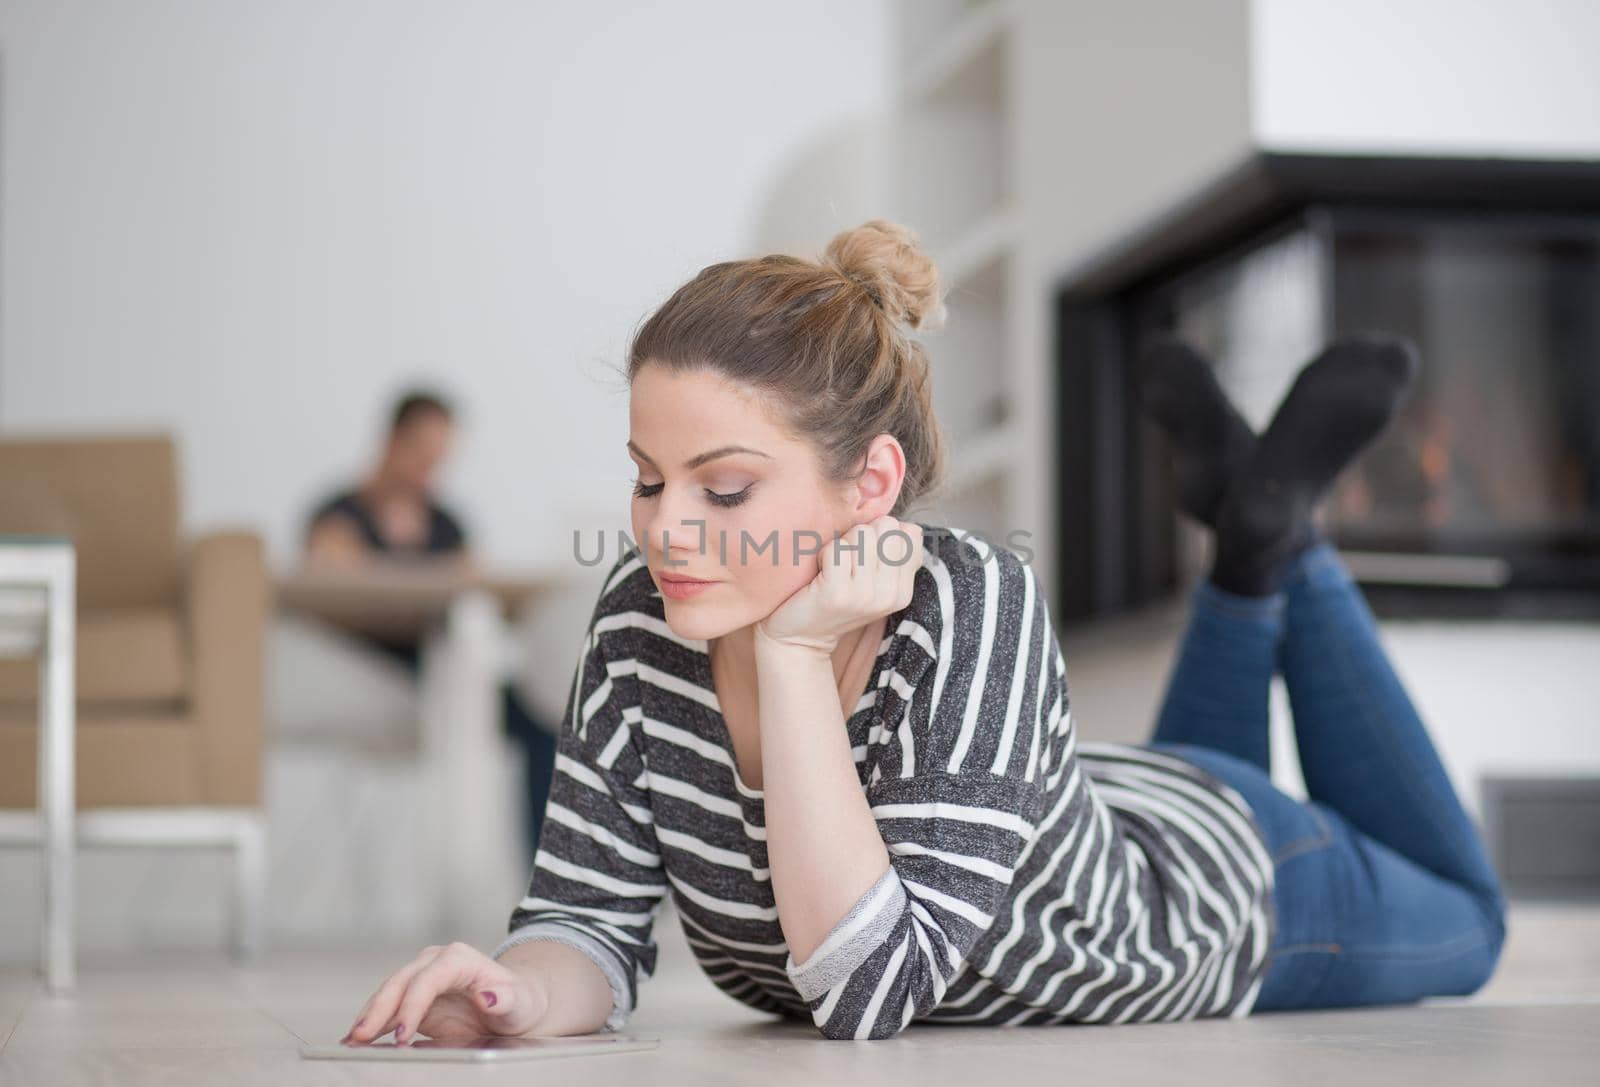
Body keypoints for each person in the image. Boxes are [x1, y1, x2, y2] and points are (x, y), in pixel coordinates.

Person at [340, 220, 1506, 1046]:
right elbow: (585, 919)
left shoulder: (972, 598)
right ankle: (1250, 542)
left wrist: (794, 656)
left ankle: (1277, 542)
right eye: (648, 480)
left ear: (870, 485)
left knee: (1473, 920)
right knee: (1207, 769)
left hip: (1236, 893)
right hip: (1111, 806)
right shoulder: (642, 629)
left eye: (724, 487)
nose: (666, 530)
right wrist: (515, 1000)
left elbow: (868, 993)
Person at [303, 389, 560, 864]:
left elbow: (475, 586)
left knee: (544, 718)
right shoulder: (340, 516)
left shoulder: (445, 522)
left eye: (440, 458)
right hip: (372, 675)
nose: (430, 469)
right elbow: (331, 581)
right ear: (392, 442)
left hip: (446, 672)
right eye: (422, 454)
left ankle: (547, 878)